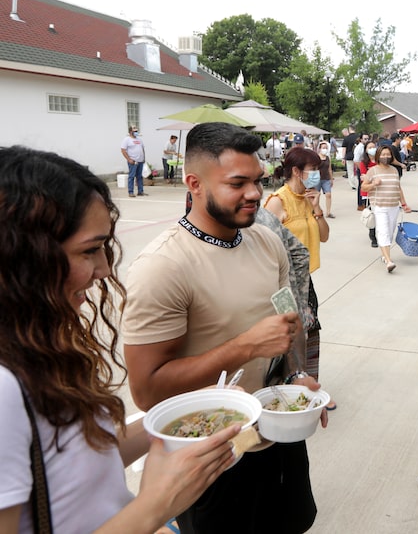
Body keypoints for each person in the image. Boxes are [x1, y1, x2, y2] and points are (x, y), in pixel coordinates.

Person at [0, 146, 241, 533]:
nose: (104, 269)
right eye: (90, 250)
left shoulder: (35, 348)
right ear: (22, 257)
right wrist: (156, 505)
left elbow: (80, 454)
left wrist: (193, 414)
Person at [121, 122, 325, 534]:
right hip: (208, 452)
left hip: (273, 430)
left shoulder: (266, 242)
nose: (253, 193)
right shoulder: (163, 267)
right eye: (238, 183)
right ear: (194, 183)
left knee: (292, 522)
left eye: (257, 180)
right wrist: (243, 347)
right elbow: (147, 391)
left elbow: (290, 318)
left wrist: (297, 372)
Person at [263, 147, 333, 408]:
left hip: (306, 280)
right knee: (291, 334)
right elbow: (262, 241)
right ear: (296, 171)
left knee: (311, 332)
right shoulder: (278, 201)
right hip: (284, 283)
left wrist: (317, 208)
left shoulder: (308, 198)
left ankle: (308, 388)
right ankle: (285, 389)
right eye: (313, 170)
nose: (316, 175)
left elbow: (324, 236)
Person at [361, 144, 411, 272]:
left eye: (388, 154)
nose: (386, 157)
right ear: (378, 156)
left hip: (394, 206)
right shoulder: (373, 171)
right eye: (383, 154)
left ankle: (384, 255)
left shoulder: (394, 170)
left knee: (390, 232)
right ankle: (389, 261)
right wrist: (373, 184)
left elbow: (398, 188)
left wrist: (404, 204)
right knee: (383, 231)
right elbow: (363, 187)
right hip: (379, 206)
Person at [358, 141, 378, 247]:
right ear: (366, 150)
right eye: (370, 147)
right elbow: (364, 177)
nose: (372, 148)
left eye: (374, 146)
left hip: (380, 191)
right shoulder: (364, 163)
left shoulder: (380, 161)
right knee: (372, 214)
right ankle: (373, 236)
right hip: (369, 192)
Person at [120, 126, 147, 197]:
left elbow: (142, 149)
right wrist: (129, 159)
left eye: (136, 131)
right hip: (133, 161)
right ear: (130, 132)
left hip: (140, 160)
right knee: (131, 176)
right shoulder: (127, 139)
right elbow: (123, 150)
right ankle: (131, 192)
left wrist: (144, 158)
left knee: (139, 177)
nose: (136, 132)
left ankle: (140, 191)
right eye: (135, 131)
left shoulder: (140, 140)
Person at [317, 140, 335, 218]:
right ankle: (316, 210)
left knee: (328, 194)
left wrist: (331, 179)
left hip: (326, 178)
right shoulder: (316, 157)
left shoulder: (328, 158)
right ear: (320, 148)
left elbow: (329, 169)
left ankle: (328, 212)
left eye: (326, 148)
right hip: (317, 179)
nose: (325, 149)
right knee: (316, 195)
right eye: (323, 148)